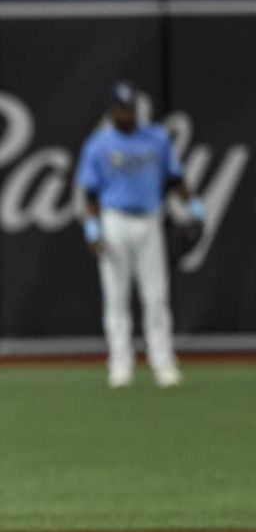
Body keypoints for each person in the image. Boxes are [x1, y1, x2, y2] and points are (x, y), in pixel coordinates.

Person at [75, 81, 204, 389]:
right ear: (111, 110)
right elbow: (90, 195)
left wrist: (196, 210)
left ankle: (162, 361)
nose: (126, 113)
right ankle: (120, 364)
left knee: (156, 296)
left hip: (149, 219)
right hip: (114, 220)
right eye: (121, 108)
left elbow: (175, 179)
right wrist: (93, 230)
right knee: (116, 298)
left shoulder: (156, 138)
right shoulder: (98, 144)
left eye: (130, 107)